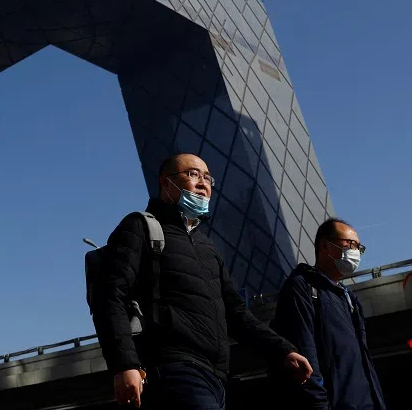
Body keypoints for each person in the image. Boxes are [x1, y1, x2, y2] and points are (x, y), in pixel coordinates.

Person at [92, 153, 313, 409]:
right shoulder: (139, 227)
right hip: (174, 369)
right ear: (166, 183)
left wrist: (283, 350)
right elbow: (110, 296)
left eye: (207, 177)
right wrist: (125, 364)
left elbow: (237, 314)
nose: (203, 183)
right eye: (192, 174)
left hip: (218, 377)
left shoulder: (208, 247)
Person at [270, 219, 386, 410]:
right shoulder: (303, 287)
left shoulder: (350, 299)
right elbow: (305, 352)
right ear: (325, 245)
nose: (356, 251)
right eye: (350, 244)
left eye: (359, 247)